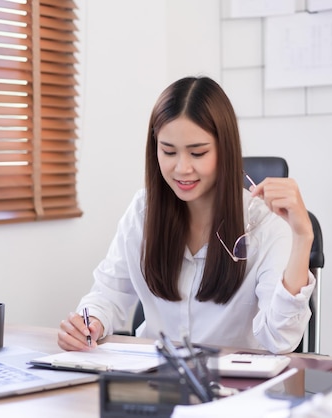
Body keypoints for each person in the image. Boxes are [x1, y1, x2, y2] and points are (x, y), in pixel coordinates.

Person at [57, 76, 315, 353]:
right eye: (168, 151)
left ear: (225, 150)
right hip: (155, 378)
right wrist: (90, 323)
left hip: (232, 385)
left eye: (198, 153)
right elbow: (108, 293)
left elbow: (280, 338)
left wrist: (302, 236)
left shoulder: (265, 223)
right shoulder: (143, 210)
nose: (182, 168)